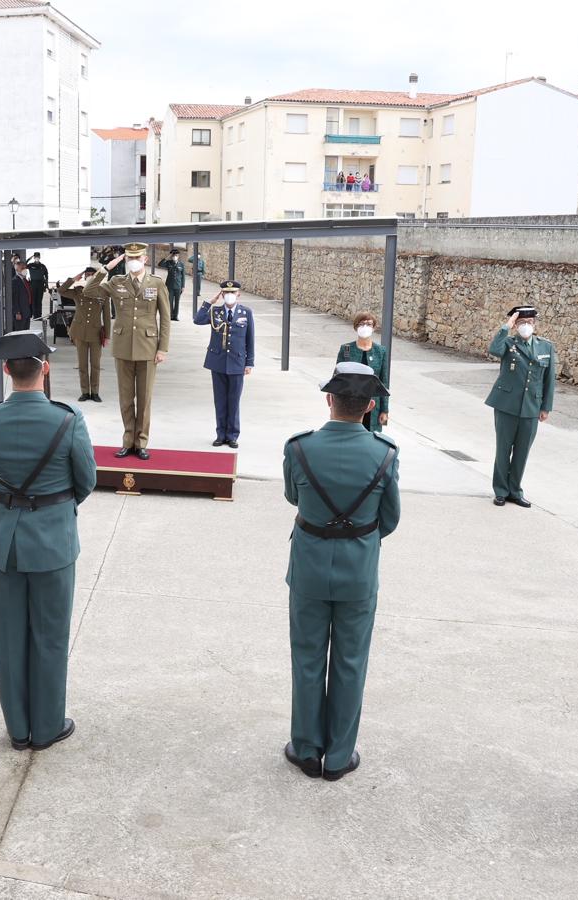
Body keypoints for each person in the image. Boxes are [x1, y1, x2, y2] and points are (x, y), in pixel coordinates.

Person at [0, 332, 97, 751]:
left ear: (6, 370)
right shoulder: (67, 418)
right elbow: (87, 481)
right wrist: (54, 505)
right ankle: (47, 727)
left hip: (3, 543)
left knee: (8, 638)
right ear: (45, 369)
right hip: (52, 540)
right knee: (50, 635)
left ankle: (18, 729)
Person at [282, 361, 400, 781]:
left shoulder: (299, 448)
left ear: (329, 399)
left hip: (310, 567)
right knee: (351, 661)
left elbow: (293, 497)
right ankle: (339, 756)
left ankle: (307, 747)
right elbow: (390, 519)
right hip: (359, 571)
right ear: (369, 406)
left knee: (308, 657)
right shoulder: (384, 453)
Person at [81, 242, 170, 459]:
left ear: (145, 259)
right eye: (129, 258)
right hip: (123, 348)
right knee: (125, 398)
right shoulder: (116, 282)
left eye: (137, 257)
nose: (133, 261)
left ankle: (141, 443)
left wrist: (163, 349)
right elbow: (88, 289)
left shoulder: (156, 283)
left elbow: (165, 318)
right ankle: (127, 439)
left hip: (148, 348)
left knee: (145, 398)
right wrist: (107, 267)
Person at [485, 305, 556, 508]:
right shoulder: (507, 342)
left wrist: (546, 407)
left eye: (530, 322)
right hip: (506, 405)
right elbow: (494, 350)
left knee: (522, 451)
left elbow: (549, 380)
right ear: (516, 325)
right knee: (503, 449)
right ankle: (500, 490)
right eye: (522, 322)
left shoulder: (545, 347)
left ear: (535, 324)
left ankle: (515, 491)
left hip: (532, 406)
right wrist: (506, 326)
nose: (526, 326)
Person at [194, 281, 254, 448]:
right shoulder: (215, 312)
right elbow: (197, 320)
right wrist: (209, 302)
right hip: (218, 362)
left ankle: (232, 435)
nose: (229, 295)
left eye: (232, 292)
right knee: (220, 400)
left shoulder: (246, 313)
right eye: (225, 292)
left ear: (238, 294)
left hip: (237, 362)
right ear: (221, 294)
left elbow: (250, 339)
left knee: (234, 400)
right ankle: (220, 434)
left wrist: (249, 363)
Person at [59, 265, 110, 402]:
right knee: (82, 365)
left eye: (92, 275)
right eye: (87, 274)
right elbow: (61, 291)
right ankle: (85, 392)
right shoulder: (78, 290)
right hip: (79, 332)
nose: (89, 277)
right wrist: (73, 279)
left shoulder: (103, 292)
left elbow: (106, 315)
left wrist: (107, 335)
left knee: (95, 365)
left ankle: (95, 392)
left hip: (96, 333)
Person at [336, 312, 390, 432]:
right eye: (362, 323)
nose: (365, 327)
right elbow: (337, 379)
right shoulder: (346, 349)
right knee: (349, 435)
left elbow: (384, 382)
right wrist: (335, 407)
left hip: (372, 405)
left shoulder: (380, 351)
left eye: (369, 324)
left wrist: (384, 410)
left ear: (374, 327)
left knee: (371, 436)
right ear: (356, 327)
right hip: (349, 403)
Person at [10, 257, 35, 331]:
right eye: (22, 268)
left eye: (25, 268)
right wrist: (17, 312)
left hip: (27, 311)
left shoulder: (25, 280)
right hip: (20, 312)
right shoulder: (15, 281)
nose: (24, 269)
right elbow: (14, 298)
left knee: (26, 331)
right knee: (19, 332)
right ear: (17, 269)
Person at [163, 248, 186, 321]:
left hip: (178, 286)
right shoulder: (169, 263)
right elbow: (160, 264)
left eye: (176, 255)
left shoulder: (181, 264)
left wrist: (183, 286)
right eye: (173, 255)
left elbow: (183, 276)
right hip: (169, 286)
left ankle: (175, 316)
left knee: (177, 302)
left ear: (178, 256)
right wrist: (168, 256)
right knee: (169, 301)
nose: (174, 256)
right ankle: (170, 315)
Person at [27, 253, 50, 320]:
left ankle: (39, 316)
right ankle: (34, 315)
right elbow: (24, 265)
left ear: (40, 257)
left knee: (39, 301)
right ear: (34, 257)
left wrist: (46, 285)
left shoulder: (42, 266)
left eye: (38, 257)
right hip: (33, 284)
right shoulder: (31, 265)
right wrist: (29, 258)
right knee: (34, 300)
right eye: (36, 257)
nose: (37, 258)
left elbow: (46, 275)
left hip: (40, 284)